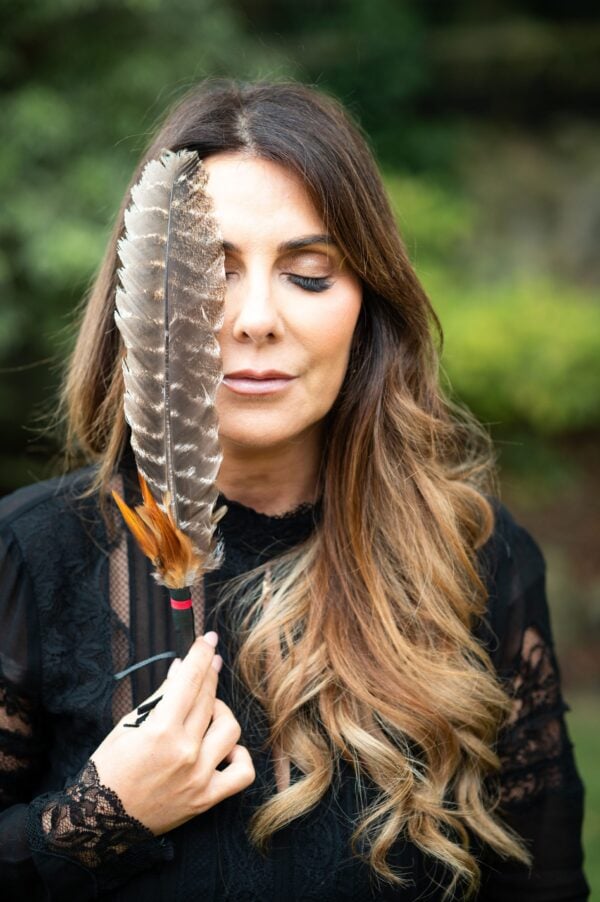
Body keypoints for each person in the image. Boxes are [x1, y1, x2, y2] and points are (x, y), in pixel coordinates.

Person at [0, 80, 589, 901]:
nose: (254, 319)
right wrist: (100, 818)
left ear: (367, 306)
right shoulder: (34, 556)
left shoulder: (479, 560)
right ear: (146, 307)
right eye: (213, 271)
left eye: (308, 275)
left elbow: (542, 879)